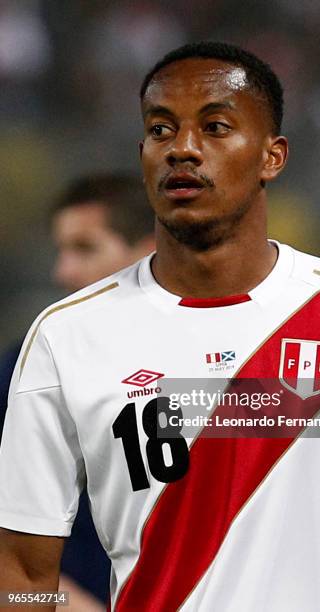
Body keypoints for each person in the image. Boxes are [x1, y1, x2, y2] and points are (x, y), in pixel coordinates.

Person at [0, 41, 320, 612]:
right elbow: (20, 570)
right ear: (142, 151)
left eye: (215, 127)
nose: (182, 149)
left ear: (273, 156)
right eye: (161, 130)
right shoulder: (66, 337)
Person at [0, 173, 155, 610]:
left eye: (85, 248)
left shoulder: (223, 361)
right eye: (61, 250)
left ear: (147, 253)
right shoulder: (27, 370)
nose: (62, 271)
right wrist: (63, 602)